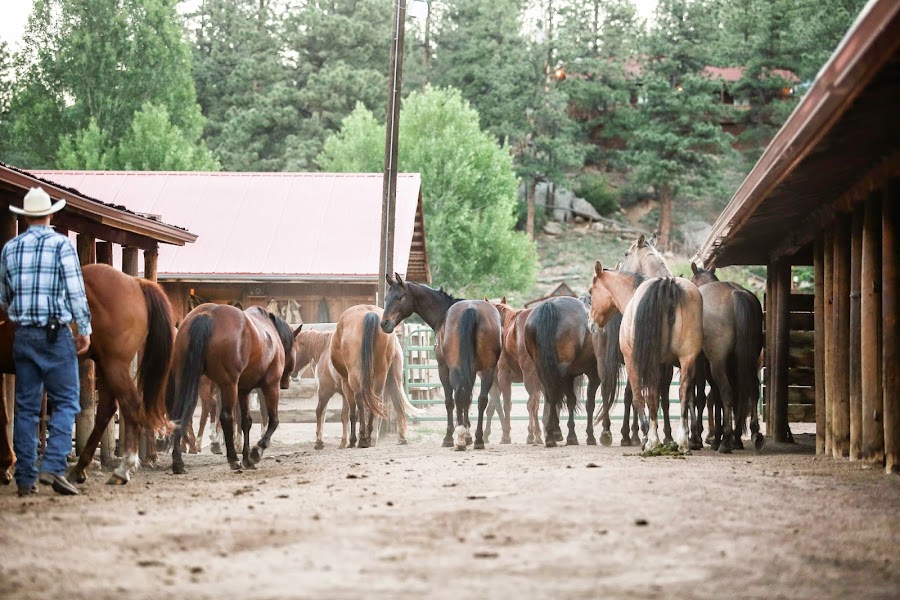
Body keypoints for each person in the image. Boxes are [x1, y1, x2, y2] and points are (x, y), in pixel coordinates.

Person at [0, 187, 91, 497]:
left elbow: (3, 298)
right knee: (67, 401)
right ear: (50, 215)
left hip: (23, 335)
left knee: (25, 409)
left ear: (25, 218)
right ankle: (52, 465)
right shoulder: (62, 246)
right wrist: (85, 328)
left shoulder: (10, 249)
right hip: (55, 335)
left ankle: (25, 478)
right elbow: (77, 294)